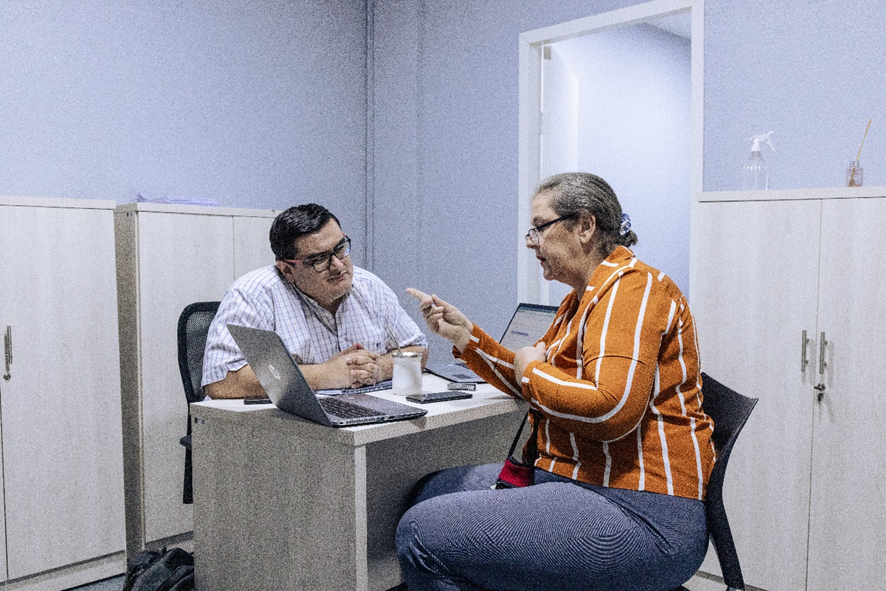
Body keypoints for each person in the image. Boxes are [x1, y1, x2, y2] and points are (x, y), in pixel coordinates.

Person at [397, 172, 715, 591]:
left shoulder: (631, 291)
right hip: (583, 479)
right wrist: (465, 337)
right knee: (430, 491)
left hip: (640, 511)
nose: (531, 242)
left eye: (539, 228)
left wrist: (532, 368)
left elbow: (610, 407)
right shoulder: (580, 298)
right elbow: (532, 381)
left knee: (420, 531)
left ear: (585, 226)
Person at [202, 203, 428, 399]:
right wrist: (326, 375)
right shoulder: (253, 294)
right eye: (319, 259)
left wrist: (379, 369)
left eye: (340, 249)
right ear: (287, 270)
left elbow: (418, 350)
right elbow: (221, 381)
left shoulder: (370, 286)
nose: (338, 265)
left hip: (357, 417)